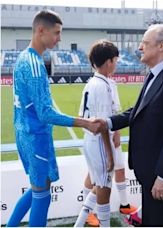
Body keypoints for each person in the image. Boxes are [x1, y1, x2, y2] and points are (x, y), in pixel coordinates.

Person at [7, 10, 105, 227]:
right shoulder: (33, 63)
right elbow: (44, 113)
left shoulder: (24, 57)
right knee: (42, 194)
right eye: (57, 33)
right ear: (41, 30)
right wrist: (85, 123)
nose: (60, 38)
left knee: (38, 188)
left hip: (27, 134)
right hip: (35, 137)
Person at [97, 24, 163, 226]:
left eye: (145, 43)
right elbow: (139, 110)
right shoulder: (154, 75)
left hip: (160, 174)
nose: (140, 47)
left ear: (161, 45)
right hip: (149, 171)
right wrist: (108, 122)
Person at [78, 45, 138, 226]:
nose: (117, 63)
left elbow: (83, 117)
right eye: (116, 60)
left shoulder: (93, 83)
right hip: (99, 143)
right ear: (109, 61)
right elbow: (102, 125)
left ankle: (79, 223)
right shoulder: (102, 86)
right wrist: (110, 155)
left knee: (99, 186)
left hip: (91, 141)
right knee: (104, 190)